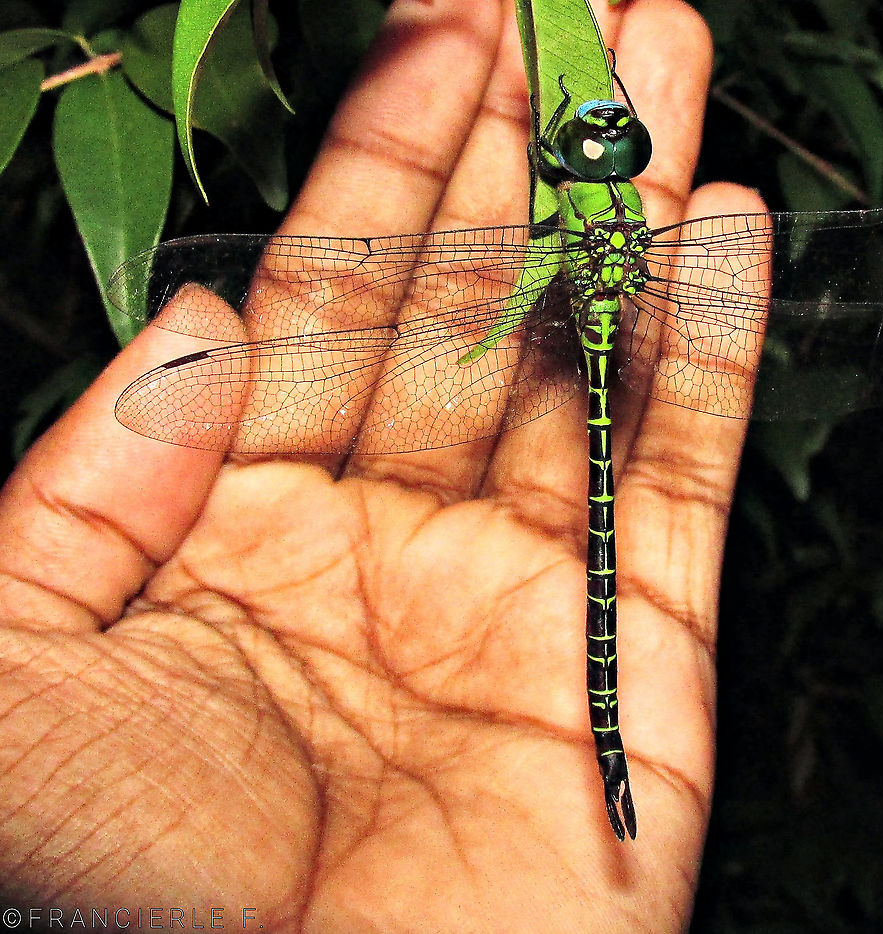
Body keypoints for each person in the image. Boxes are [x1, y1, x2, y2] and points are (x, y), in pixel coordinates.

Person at [0, 0, 766, 928]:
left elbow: (510, 300)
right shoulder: (636, 233)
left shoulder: (554, 223)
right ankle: (606, 738)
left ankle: (605, 730)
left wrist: (491, 326)